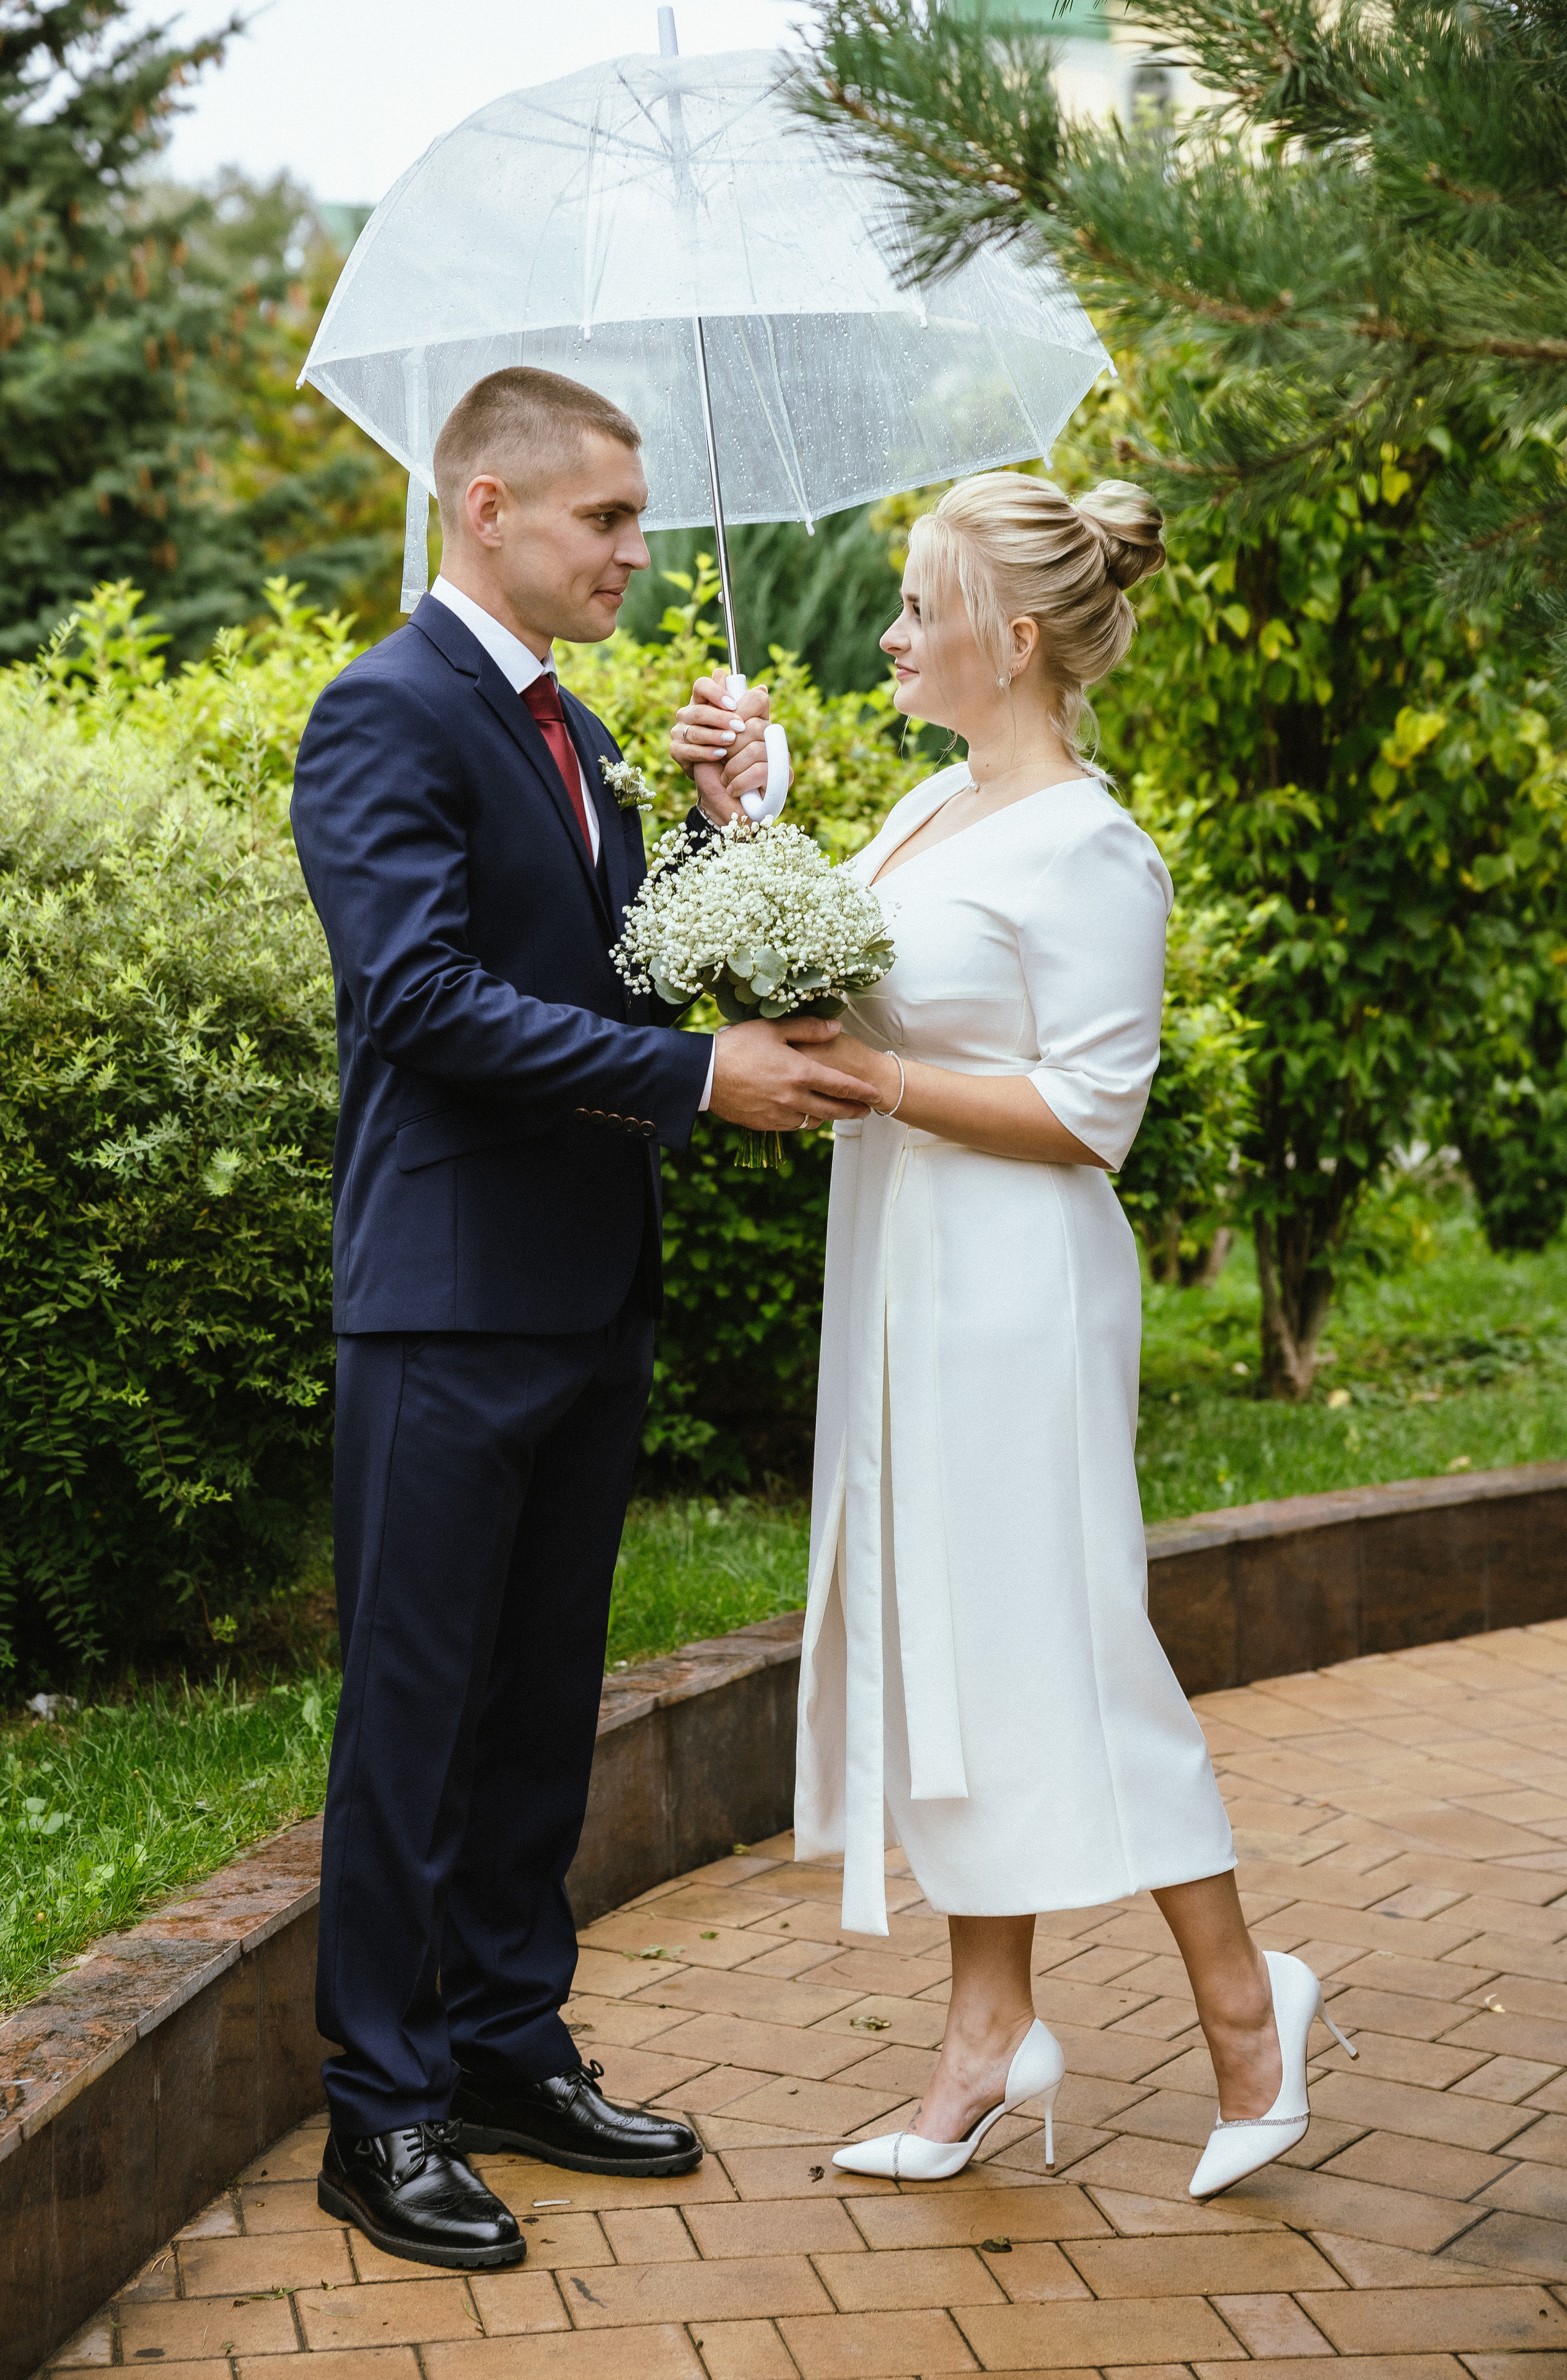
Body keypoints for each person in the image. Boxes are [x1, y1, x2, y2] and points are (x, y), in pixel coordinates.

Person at [670, 471, 1355, 2201]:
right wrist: (751, 827)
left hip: (1021, 1293)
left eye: (920, 604)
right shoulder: (921, 810)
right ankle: (988, 2040)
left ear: (1019, 635)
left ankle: (1244, 2010)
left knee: (1069, 1644)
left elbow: (1093, 1111)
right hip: (904, 1270)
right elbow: (839, 982)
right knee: (948, 1650)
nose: (892, 631)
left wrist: (880, 1081)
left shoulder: (1092, 845)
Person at [290, 365, 877, 2273]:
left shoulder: (575, 726)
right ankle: (376, 2115)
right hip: (445, 1308)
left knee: (541, 1704)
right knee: (413, 1716)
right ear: (485, 505)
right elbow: (422, 1001)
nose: (632, 549)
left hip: (580, 1292)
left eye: (635, 520)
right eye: (603, 519)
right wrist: (703, 1081)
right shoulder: (386, 711)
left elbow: (626, 975)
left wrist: (718, 823)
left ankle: (504, 2050)